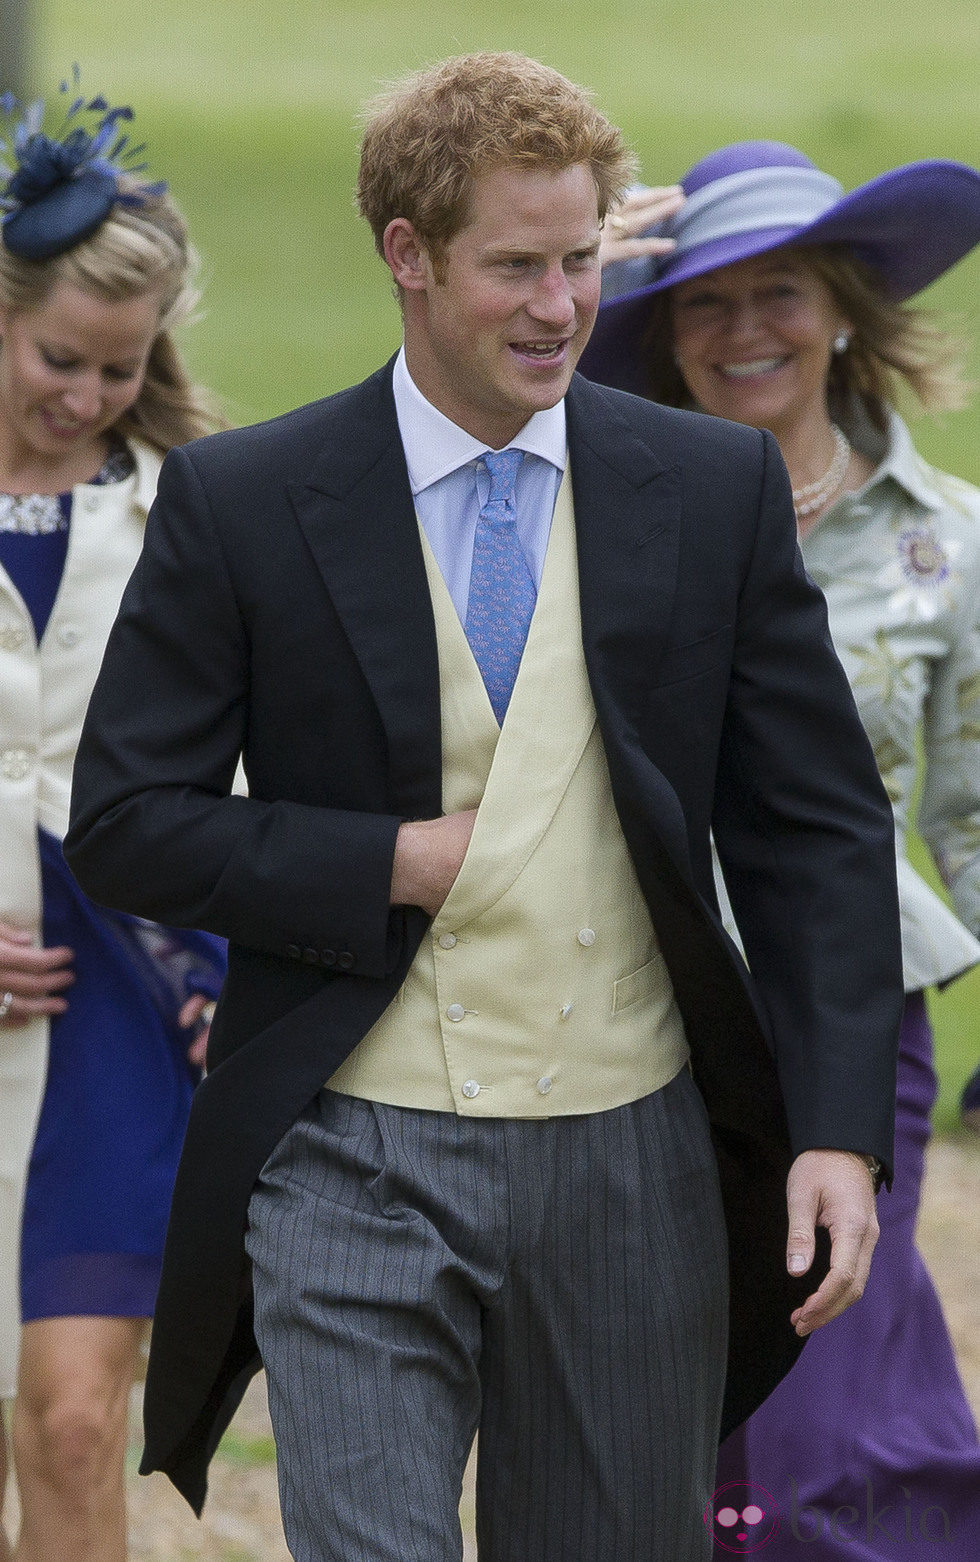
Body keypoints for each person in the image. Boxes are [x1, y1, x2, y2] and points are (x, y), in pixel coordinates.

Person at [65, 55, 903, 1562]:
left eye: (581, 261)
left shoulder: (706, 491)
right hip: (351, 1148)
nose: (560, 306)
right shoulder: (248, 501)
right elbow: (130, 815)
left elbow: (815, 830)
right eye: (515, 266)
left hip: (631, 1156)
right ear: (407, 255)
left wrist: (837, 1127)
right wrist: (383, 857)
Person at [584, 139, 980, 1557]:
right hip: (637, 1003)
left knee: (817, 1396)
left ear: (845, 310)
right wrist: (580, 280)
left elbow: (973, 807)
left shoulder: (949, 544)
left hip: (848, 1004)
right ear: (662, 329)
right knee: (668, 1403)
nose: (747, 330)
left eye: (782, 293)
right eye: (704, 302)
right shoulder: (604, 516)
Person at [0, 77, 226, 1562]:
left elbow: (259, 759)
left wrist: (226, 959)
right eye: (57, 358)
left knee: (77, 1416)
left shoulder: (198, 509)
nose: (85, 396)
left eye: (118, 370)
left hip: (122, 991)